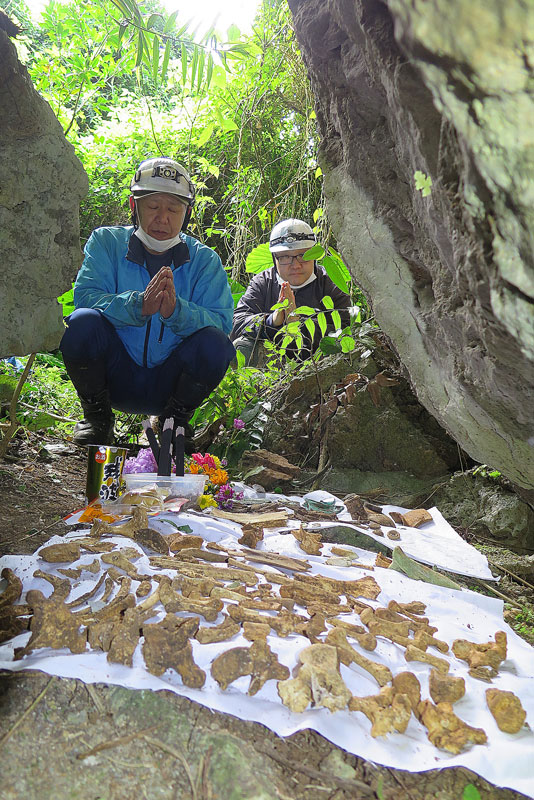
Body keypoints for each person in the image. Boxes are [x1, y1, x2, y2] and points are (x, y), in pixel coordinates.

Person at [60, 156, 235, 447]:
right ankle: (97, 419)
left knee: (216, 344)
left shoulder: (204, 260)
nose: (162, 218)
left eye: (173, 209)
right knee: (80, 324)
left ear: (187, 213)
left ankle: (173, 423)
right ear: (133, 206)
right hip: (116, 374)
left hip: (168, 383)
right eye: (153, 206)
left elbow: (222, 322)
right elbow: (86, 297)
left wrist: (176, 312)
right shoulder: (106, 242)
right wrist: (137, 306)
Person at [231, 219, 351, 365]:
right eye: (285, 257)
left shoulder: (331, 282)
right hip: (271, 362)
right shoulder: (263, 282)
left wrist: (298, 323)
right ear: (274, 259)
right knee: (241, 347)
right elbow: (237, 322)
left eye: (303, 255)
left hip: (320, 363)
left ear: (314, 254)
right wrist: (272, 321)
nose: (296, 265)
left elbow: (346, 326)